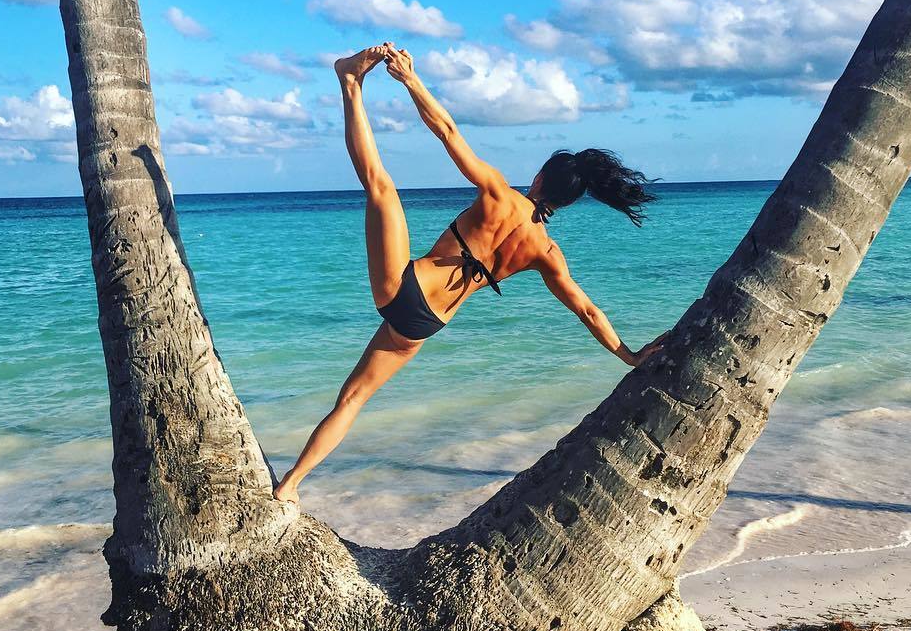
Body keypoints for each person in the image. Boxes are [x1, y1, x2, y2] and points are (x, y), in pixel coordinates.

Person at [272, 42, 669, 505]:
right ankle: (289, 486)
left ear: (540, 177)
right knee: (353, 400)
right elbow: (587, 310)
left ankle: (349, 81)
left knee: (380, 186)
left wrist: (410, 80)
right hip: (425, 325)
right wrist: (628, 355)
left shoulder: (498, 193)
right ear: (567, 201)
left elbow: (446, 130)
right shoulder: (547, 252)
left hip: (403, 286)